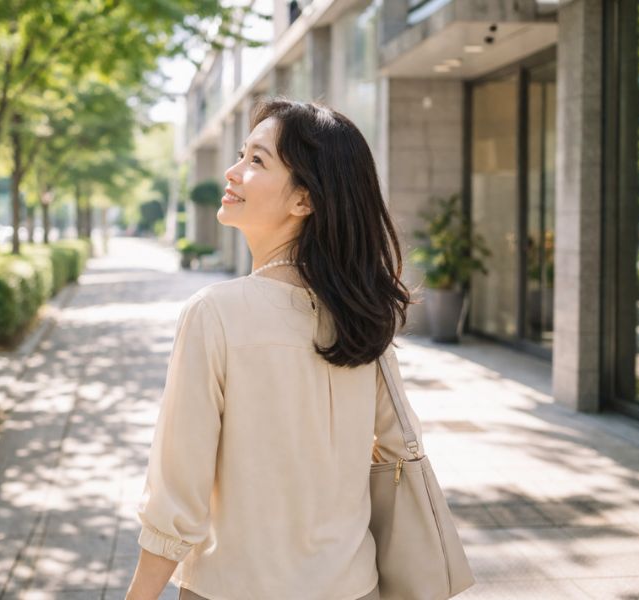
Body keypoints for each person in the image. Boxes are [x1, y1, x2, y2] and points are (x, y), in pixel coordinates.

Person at [126, 98, 421, 600]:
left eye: (256, 160)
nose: (233, 171)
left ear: (304, 200)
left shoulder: (214, 314)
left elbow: (178, 497)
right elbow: (398, 449)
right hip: (353, 587)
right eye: (241, 154)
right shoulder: (360, 318)